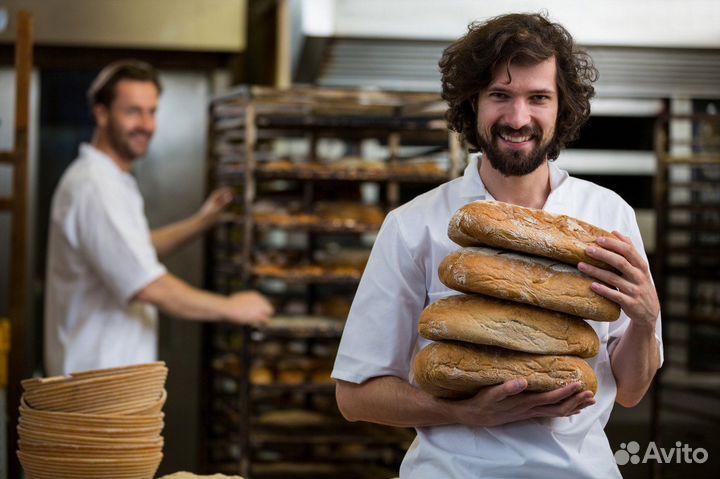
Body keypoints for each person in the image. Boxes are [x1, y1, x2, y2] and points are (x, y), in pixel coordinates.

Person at [332, 13, 662, 479]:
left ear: (562, 106)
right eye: (500, 96)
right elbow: (354, 397)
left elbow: (629, 391)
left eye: (538, 98)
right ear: (473, 105)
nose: (518, 117)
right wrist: (462, 413)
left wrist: (646, 321)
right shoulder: (413, 225)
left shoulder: (609, 217)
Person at [45, 60, 274, 376]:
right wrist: (231, 307)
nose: (147, 124)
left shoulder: (113, 180)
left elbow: (131, 251)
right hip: (96, 388)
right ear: (101, 113)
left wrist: (200, 222)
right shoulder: (94, 187)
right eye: (133, 111)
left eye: (152, 111)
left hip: (109, 382)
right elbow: (147, 285)